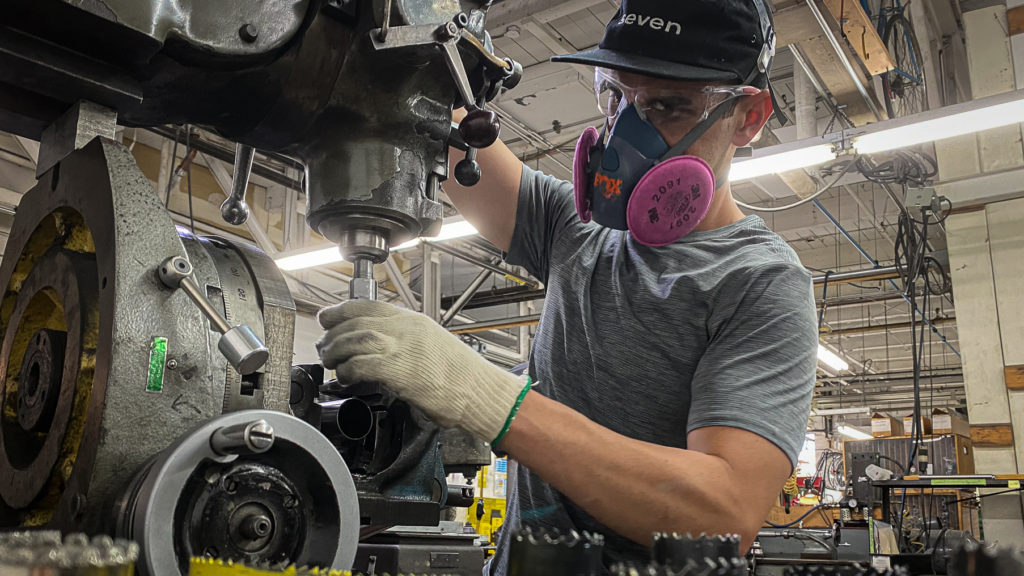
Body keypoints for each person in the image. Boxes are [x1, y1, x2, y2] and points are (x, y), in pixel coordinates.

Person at [316, 0, 817, 571]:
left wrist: (486, 396)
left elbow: (723, 513)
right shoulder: (574, 228)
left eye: (668, 106)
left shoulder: (763, 284)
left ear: (748, 118)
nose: (629, 129)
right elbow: (431, 115)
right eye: (616, 97)